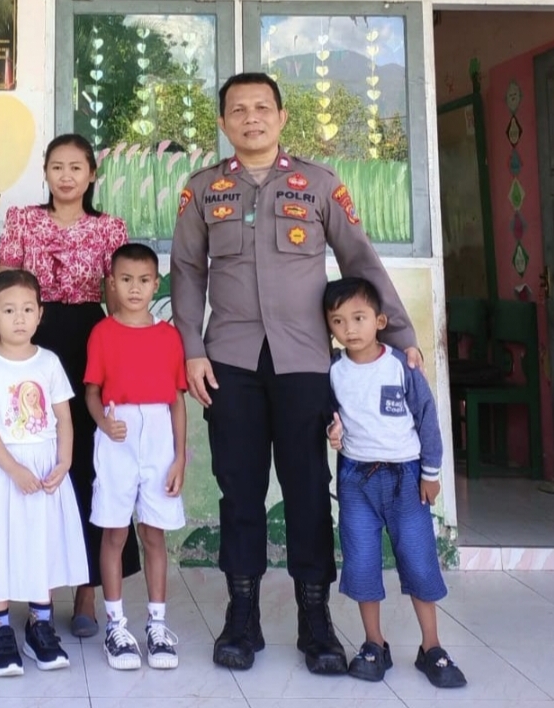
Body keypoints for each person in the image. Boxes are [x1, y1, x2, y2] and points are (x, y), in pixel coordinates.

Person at [170, 72, 422, 674]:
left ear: (282, 117)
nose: (251, 118)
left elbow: (360, 261)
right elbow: (187, 271)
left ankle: (316, 619)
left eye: (262, 107)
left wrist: (400, 336)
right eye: (238, 110)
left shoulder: (319, 185)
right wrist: (191, 348)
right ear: (224, 122)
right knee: (240, 489)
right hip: (229, 360)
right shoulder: (203, 188)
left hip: (305, 360)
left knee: (308, 489)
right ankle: (242, 616)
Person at [0, 133, 141, 638]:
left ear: (91, 174)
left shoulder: (109, 228)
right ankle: (38, 587)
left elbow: (118, 299)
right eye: (57, 166)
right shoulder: (22, 220)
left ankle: (87, 590)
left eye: (76, 167)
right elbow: (5, 288)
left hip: (89, 342)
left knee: (87, 463)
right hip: (29, 342)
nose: (66, 176)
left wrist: (123, 357)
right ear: (45, 171)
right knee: (38, 457)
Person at [323, 278, 467, 689]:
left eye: (359, 318)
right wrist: (332, 432)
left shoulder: (402, 366)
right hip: (356, 481)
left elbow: (427, 419)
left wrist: (431, 474)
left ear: (380, 321)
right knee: (361, 563)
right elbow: (329, 417)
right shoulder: (333, 371)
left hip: (406, 479)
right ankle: (374, 644)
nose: (349, 329)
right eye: (338, 321)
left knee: (419, 561)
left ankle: (432, 647)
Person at [0, 270, 88, 677]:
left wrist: (64, 462)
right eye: (9, 310)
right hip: (4, 470)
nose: (19, 318)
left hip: (46, 468)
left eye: (27, 309)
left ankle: (40, 626)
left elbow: (64, 417)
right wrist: (13, 469)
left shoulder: (48, 362)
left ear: (40, 314)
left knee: (41, 542)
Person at [85, 243, 188, 671]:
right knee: (114, 532)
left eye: (143, 280)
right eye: (125, 279)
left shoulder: (169, 336)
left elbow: (177, 401)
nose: (134, 288)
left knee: (154, 534)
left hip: (160, 438)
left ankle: (157, 626)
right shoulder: (103, 333)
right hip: (117, 435)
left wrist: (180, 458)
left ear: (155, 284)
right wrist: (103, 423)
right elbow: (92, 391)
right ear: (111, 282)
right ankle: (116, 625)